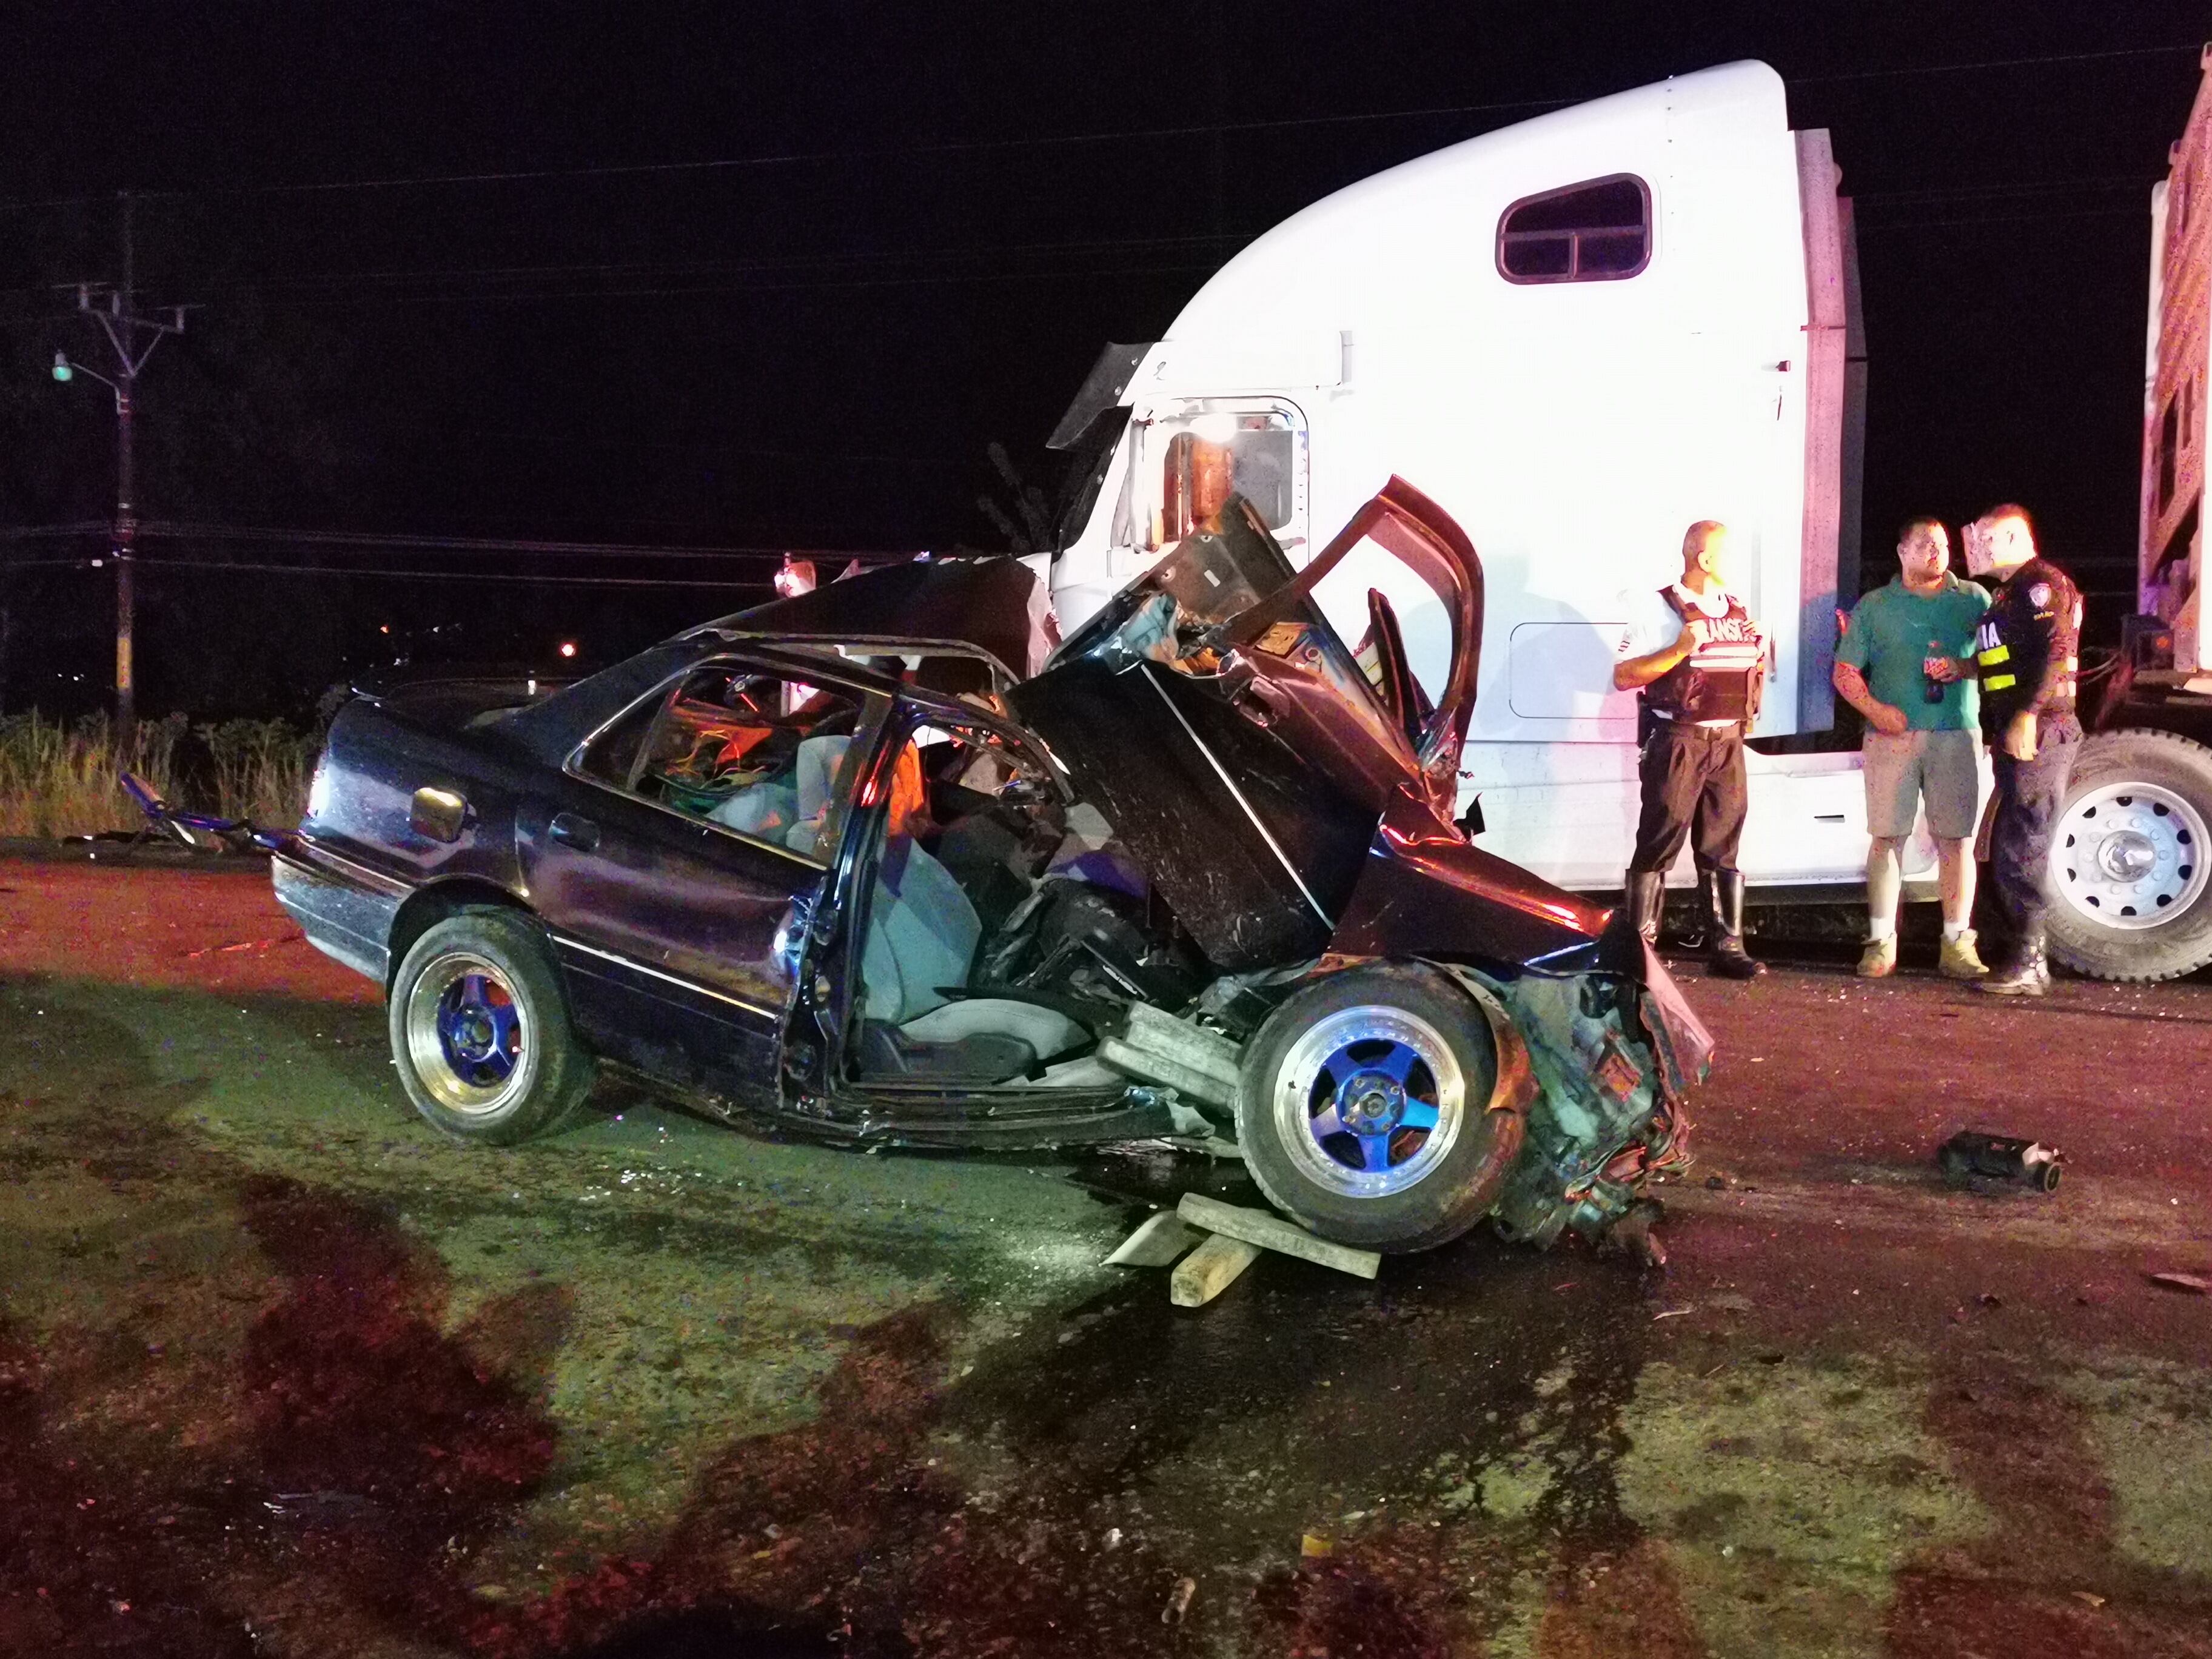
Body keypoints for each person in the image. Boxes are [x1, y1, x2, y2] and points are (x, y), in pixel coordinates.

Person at [1832, 518, 1992, 979]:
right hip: (1891, 739)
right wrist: (1878, 712)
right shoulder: (1876, 606)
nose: (1936, 552)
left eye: (1942, 545)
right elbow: (1846, 672)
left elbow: (1996, 659)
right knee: (1886, 837)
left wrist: (1962, 667)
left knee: (1957, 840)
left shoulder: (1973, 600)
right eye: (1925, 544)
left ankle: (1957, 942)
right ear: (1902, 551)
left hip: (1956, 734)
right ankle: (1881, 942)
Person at [1612, 520, 1768, 979]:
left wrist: (1756, 648)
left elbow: (1747, 675)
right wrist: (1681, 647)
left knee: (1723, 847)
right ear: (1705, 560)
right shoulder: (1658, 609)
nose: (1734, 564)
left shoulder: (1737, 611)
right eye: (1727, 553)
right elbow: (1624, 676)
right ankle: (1640, 949)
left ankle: (1728, 947)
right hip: (1678, 740)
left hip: (1727, 742)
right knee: (1660, 838)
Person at [1963, 503, 2082, 996]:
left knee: (2024, 846)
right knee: (2015, 844)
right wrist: (1963, 668)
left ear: (2013, 538)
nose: (1979, 548)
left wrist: (2027, 716)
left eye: (1988, 539)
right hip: (2016, 729)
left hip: (2042, 730)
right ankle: (2022, 956)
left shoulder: (2041, 585)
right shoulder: (2007, 594)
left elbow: (2055, 652)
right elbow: (2006, 662)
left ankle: (2031, 963)